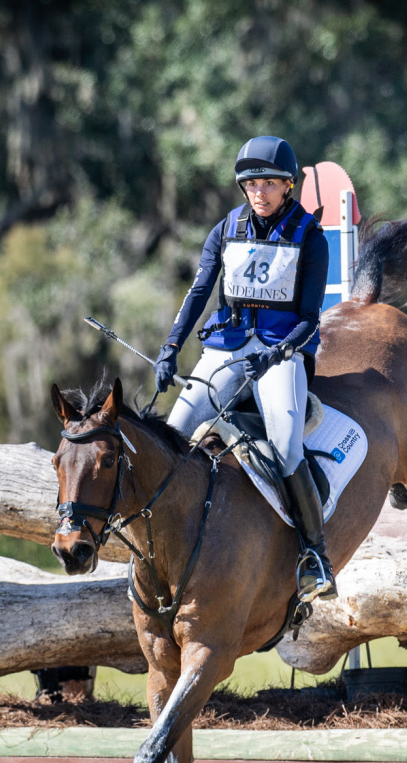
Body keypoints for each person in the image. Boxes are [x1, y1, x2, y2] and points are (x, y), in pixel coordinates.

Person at [154, 135, 336, 600]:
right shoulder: (227, 228)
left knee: (285, 442)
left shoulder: (310, 238)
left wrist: (278, 355)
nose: (259, 192)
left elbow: (310, 319)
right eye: (252, 184)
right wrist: (170, 347)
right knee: (173, 433)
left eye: (269, 184)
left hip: (281, 352)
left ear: (288, 187)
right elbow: (198, 293)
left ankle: (315, 553)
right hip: (227, 348)